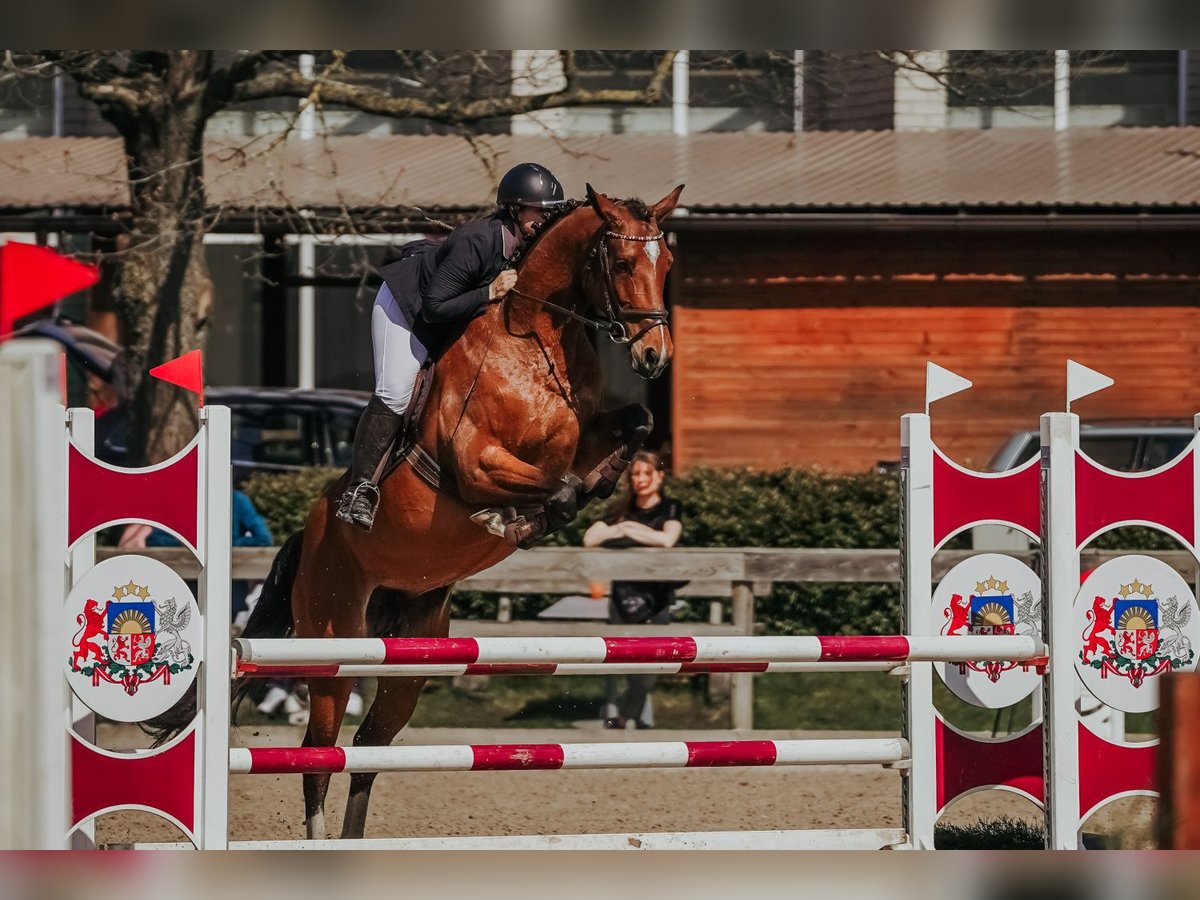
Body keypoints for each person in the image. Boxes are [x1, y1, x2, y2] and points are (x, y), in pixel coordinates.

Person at [337, 162, 566, 531]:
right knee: (395, 392)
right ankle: (359, 490)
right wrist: (490, 292)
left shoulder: (526, 244)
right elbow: (435, 307)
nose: (544, 218)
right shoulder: (478, 241)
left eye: (549, 212)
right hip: (407, 307)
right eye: (539, 210)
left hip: (448, 305)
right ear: (515, 209)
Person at [582, 450, 683, 730]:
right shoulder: (619, 510)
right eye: (635, 474)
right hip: (622, 596)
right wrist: (625, 526)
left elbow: (667, 539)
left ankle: (626, 715)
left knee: (651, 664)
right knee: (623, 659)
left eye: (646, 473)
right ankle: (628, 716)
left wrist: (626, 529)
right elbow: (590, 538)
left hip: (657, 599)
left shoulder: (670, 508)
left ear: (659, 477)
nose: (640, 479)